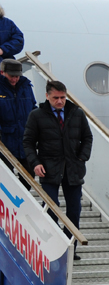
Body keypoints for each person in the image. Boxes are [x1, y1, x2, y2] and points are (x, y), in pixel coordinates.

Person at [23, 81, 92, 259]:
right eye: (56, 98)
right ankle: (52, 248)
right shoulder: (36, 115)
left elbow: (87, 137)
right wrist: (35, 163)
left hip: (73, 170)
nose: (60, 101)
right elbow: (28, 142)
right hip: (48, 169)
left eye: (63, 97)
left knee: (74, 212)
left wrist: (82, 157)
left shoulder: (77, 113)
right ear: (47, 96)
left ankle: (69, 252)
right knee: (51, 209)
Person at [0, 59, 36, 169]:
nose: (14, 79)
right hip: (5, 143)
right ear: (2, 72)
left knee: (29, 174)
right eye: (12, 76)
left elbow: (33, 109)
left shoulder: (26, 86)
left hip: (26, 143)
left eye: (17, 76)